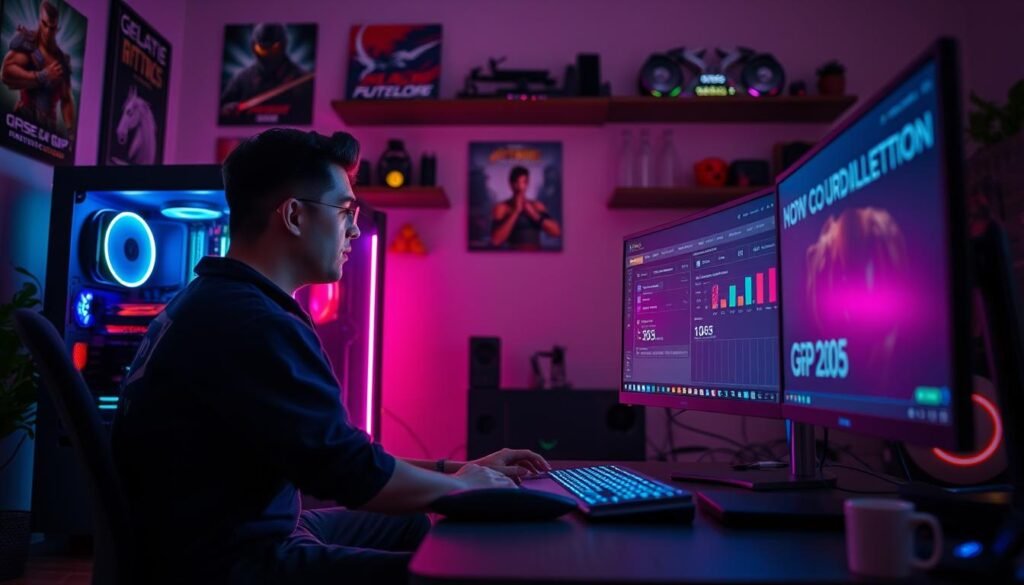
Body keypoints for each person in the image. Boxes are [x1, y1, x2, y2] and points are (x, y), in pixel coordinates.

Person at [112, 129, 550, 585]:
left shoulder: (212, 301)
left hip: (225, 533)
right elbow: (350, 476)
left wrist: (457, 470)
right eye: (344, 210)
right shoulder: (257, 325)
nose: (356, 229)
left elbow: (334, 451)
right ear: (295, 215)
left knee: (410, 523)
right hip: (229, 561)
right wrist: (465, 490)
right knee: (454, 573)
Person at [0, 0, 76, 143]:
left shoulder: (62, 61)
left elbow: (66, 99)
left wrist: (70, 133)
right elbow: (6, 72)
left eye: (52, 28)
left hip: (48, 128)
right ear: (40, 21)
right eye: (44, 24)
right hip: (23, 118)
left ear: (57, 28)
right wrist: (43, 75)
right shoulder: (28, 43)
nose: (47, 31)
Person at [219, 23, 312, 122]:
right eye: (262, 49)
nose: (269, 56)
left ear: (283, 45)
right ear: (253, 47)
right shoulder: (242, 79)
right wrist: (227, 109)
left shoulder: (302, 79)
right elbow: (222, 108)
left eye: (273, 49)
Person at [490, 166, 562, 250]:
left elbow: (556, 232)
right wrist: (516, 212)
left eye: (523, 182)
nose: (520, 186)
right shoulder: (502, 208)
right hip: (512, 258)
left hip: (535, 257)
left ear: (527, 184)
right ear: (510, 184)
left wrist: (533, 214)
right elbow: (495, 240)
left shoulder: (536, 206)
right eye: (516, 182)